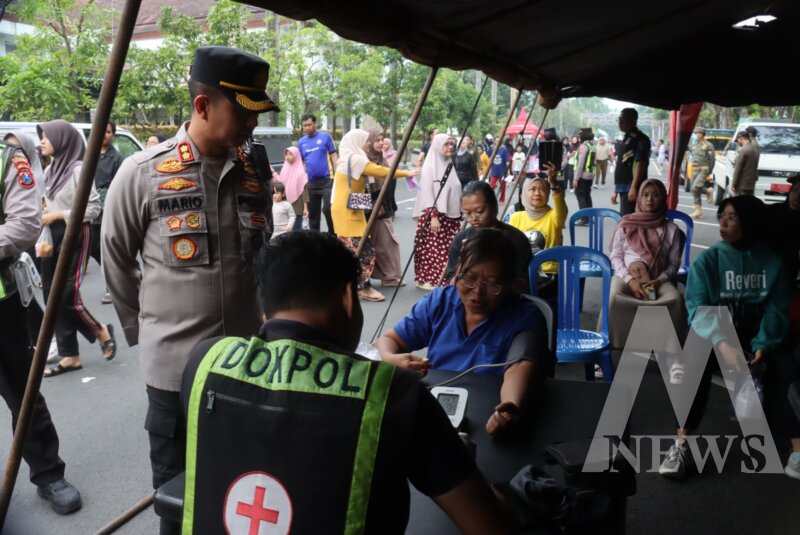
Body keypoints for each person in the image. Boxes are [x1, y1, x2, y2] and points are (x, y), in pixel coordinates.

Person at [180, 232, 516, 534]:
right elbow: (486, 524)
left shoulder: (205, 362)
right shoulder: (393, 393)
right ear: (347, 297)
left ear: (264, 310)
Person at [102, 46, 277, 535]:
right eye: (242, 111)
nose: (251, 125)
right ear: (203, 106)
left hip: (244, 366)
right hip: (173, 375)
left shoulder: (252, 174)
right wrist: (150, 332)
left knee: (241, 490)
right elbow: (115, 257)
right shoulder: (142, 173)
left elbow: (263, 255)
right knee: (178, 501)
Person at [659, 196, 798, 480]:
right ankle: (680, 444)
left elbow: (777, 310)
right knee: (693, 359)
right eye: (722, 215)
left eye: (732, 217)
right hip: (718, 335)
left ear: (750, 222)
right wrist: (723, 343)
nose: (723, 222)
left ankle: (796, 450)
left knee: (788, 366)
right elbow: (698, 309)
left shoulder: (774, 263)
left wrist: (761, 346)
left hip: (759, 337)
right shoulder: (708, 262)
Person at [378, 229, 554, 435]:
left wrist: (508, 406)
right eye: (469, 278)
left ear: (510, 284)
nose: (477, 293)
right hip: (439, 406)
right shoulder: (440, 302)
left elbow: (520, 365)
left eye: (492, 284)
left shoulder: (524, 316)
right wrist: (391, 358)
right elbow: (390, 339)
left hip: (488, 411)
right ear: (457, 273)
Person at [0, 135, 82, 514]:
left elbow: (23, 226)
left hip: (3, 307)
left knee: (24, 392)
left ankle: (48, 473)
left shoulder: (7, 158)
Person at [37, 120, 115, 377]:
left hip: (76, 234)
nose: (42, 142)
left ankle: (99, 330)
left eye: (46, 137)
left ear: (62, 140)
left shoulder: (78, 169)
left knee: (67, 293)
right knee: (51, 296)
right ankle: (70, 354)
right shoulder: (50, 171)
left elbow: (93, 208)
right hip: (53, 237)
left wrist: (59, 214)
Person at [331, 129, 413, 302]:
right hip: (349, 209)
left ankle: (350, 285)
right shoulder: (355, 159)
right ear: (356, 141)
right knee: (364, 250)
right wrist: (407, 173)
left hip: (350, 205)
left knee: (352, 248)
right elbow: (381, 171)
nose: (367, 144)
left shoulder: (347, 157)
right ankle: (361, 287)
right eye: (365, 141)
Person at [607, 179, 686, 351]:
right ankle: (616, 348)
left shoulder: (671, 230)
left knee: (675, 299)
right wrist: (630, 280)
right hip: (626, 275)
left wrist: (657, 282)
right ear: (639, 199)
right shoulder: (626, 225)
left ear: (663, 199)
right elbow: (615, 257)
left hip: (658, 278)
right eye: (645, 195)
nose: (650, 199)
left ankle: (667, 349)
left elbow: (673, 265)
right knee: (615, 296)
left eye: (656, 195)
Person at [444, 180, 532, 292]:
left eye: (479, 211)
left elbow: (522, 283)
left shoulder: (515, 239)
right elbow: (452, 283)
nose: (474, 218)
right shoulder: (461, 239)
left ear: (494, 207)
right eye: (467, 213)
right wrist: (463, 259)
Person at [412, 133, 462, 290]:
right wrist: (434, 216)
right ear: (437, 146)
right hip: (436, 215)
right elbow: (427, 192)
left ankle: (441, 279)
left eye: (452, 144)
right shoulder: (430, 166)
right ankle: (430, 280)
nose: (450, 147)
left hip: (449, 217)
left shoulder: (448, 164)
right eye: (446, 144)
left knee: (448, 249)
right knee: (433, 251)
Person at [508, 163, 567, 284]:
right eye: (532, 189)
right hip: (522, 272)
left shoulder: (554, 216)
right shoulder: (515, 217)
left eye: (542, 189)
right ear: (524, 193)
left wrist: (553, 184)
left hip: (548, 274)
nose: (537, 193)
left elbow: (561, 207)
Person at [91, 120, 124, 304]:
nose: (104, 134)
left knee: (108, 246)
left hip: (108, 207)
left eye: (108, 131)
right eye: (102, 130)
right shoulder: (89, 155)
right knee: (94, 247)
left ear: (113, 134)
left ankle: (111, 286)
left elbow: (118, 185)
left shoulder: (117, 158)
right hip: (91, 206)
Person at [368, 132, 404, 288]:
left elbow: (390, 184)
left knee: (387, 242)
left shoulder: (382, 160)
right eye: (377, 140)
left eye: (382, 140)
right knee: (380, 243)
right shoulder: (363, 161)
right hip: (370, 208)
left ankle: (389, 276)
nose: (381, 143)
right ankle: (386, 277)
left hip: (382, 207)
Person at [297, 113, 338, 233]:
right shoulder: (301, 142)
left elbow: (334, 156)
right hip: (311, 183)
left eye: (309, 124)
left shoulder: (325, 137)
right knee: (313, 215)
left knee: (328, 209)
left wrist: (338, 174)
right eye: (304, 126)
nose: (307, 127)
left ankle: (333, 235)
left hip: (327, 181)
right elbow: (301, 162)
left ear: (315, 124)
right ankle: (316, 241)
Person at [612, 108, 651, 215]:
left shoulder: (640, 139)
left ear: (632, 120)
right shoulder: (627, 137)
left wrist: (634, 187)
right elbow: (622, 163)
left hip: (631, 186)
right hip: (623, 186)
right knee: (625, 217)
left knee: (629, 219)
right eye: (619, 119)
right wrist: (616, 190)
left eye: (622, 119)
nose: (619, 122)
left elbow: (640, 163)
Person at [274, 146, 307, 231]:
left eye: (290, 154)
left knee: (296, 229)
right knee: (286, 229)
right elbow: (281, 183)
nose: (287, 157)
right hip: (286, 203)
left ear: (296, 155)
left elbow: (304, 190)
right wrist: (273, 173)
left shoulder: (300, 171)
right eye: (286, 154)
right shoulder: (285, 168)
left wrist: (306, 207)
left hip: (297, 205)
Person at [572, 128, 595, 225]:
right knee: (587, 195)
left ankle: (584, 219)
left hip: (582, 175)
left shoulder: (583, 146)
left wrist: (576, 178)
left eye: (580, 135)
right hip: (590, 174)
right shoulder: (592, 146)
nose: (578, 136)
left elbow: (580, 164)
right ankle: (590, 217)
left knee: (580, 195)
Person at [731, 130, 760, 196]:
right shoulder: (754, 149)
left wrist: (734, 184)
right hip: (751, 184)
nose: (738, 142)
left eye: (738, 140)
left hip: (742, 184)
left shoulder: (744, 150)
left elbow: (738, 169)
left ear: (741, 138)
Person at [488, 136, 510, 203]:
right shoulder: (492, 149)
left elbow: (507, 161)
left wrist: (508, 171)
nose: (497, 142)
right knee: (491, 185)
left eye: (499, 140)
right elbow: (489, 158)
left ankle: (502, 199)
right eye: (496, 140)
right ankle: (491, 198)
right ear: (494, 141)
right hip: (494, 171)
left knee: (503, 186)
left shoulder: (504, 149)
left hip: (502, 171)